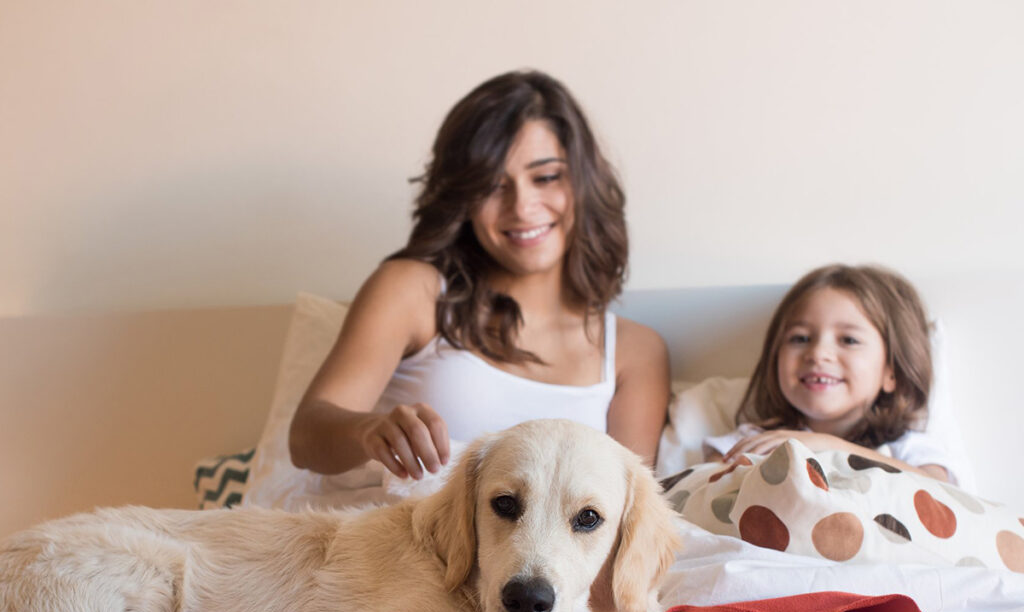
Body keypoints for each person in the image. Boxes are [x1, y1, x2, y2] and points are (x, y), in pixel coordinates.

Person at [289, 70, 669, 485]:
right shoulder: (413, 291)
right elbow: (307, 436)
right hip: (393, 540)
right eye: (492, 186)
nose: (522, 207)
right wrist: (368, 430)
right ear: (464, 198)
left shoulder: (634, 352)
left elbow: (631, 504)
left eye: (545, 177)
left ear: (583, 183)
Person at [705, 264, 954, 482]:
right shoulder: (758, 439)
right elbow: (702, 490)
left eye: (848, 340)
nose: (818, 353)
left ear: (892, 373)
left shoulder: (906, 445)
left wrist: (835, 449)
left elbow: (941, 494)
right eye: (800, 338)